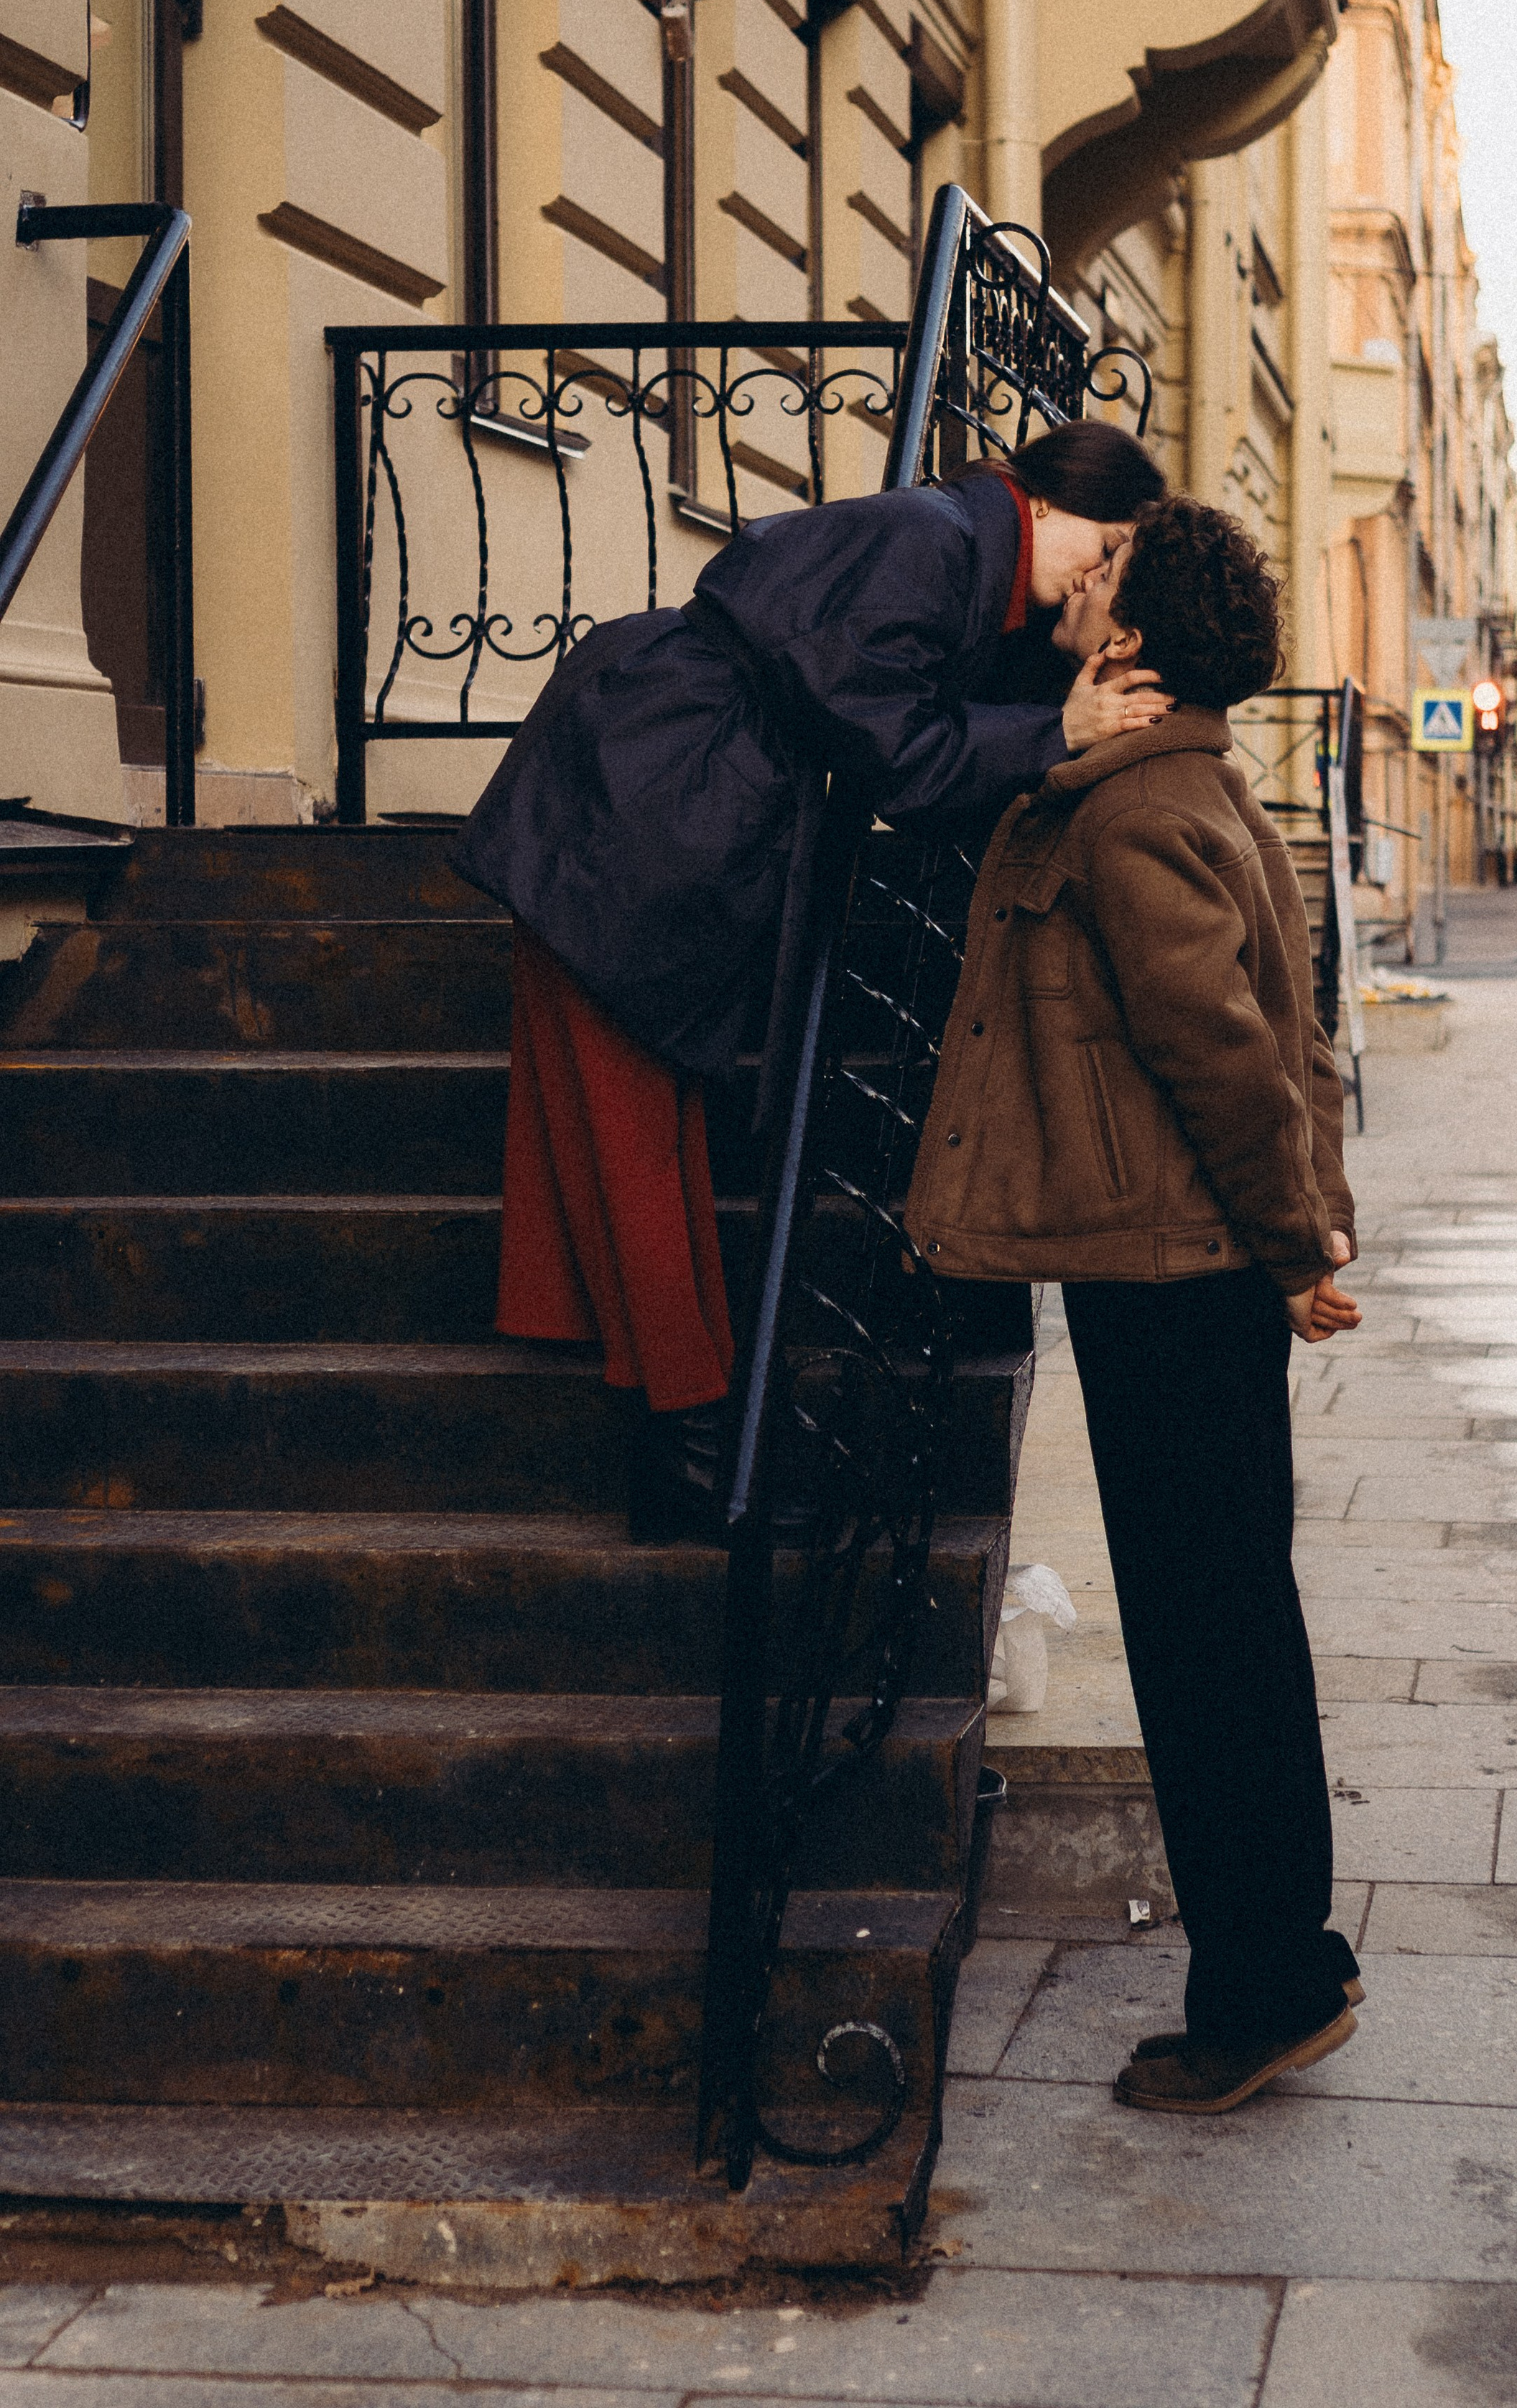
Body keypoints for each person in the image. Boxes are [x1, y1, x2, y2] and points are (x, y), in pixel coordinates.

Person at [455, 421, 1169, 1538]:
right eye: (1107, 544)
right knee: (630, 1135)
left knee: (638, 1134)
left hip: (662, 780)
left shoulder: (959, 553)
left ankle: (691, 1438)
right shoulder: (936, 541)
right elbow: (903, 755)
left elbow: (912, 710)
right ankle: (693, 1452)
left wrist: (1064, 694)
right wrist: (1055, 728)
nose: (1099, 573)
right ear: (1046, 499)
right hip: (646, 789)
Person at [905, 494, 1364, 2113]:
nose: (1071, 583)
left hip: (1169, 1273)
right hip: (1184, 1265)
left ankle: (1259, 1988)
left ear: (1139, 634)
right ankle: (1289, 1957)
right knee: (1234, 1612)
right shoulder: (1188, 784)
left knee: (1202, 1634)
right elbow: (1289, 1035)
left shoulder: (1130, 815)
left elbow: (1231, 1057)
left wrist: (1298, 1246)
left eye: (1099, 573)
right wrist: (1303, 1235)